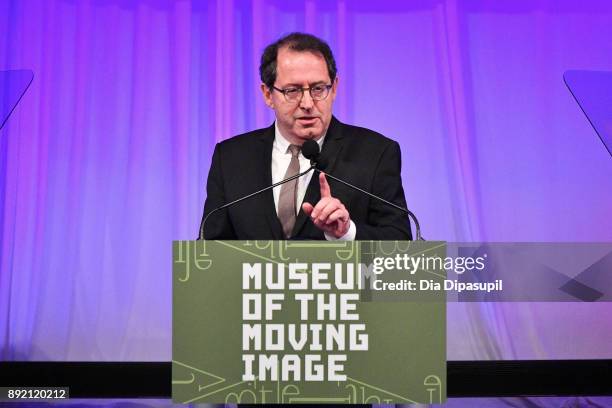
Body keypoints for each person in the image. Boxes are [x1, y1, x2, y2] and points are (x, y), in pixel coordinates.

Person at [201, 32, 412, 240]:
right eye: (292, 91)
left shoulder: (375, 153)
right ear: (268, 95)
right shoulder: (230, 158)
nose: (308, 104)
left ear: (335, 88)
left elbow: (400, 243)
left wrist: (346, 233)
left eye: (318, 89)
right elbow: (209, 251)